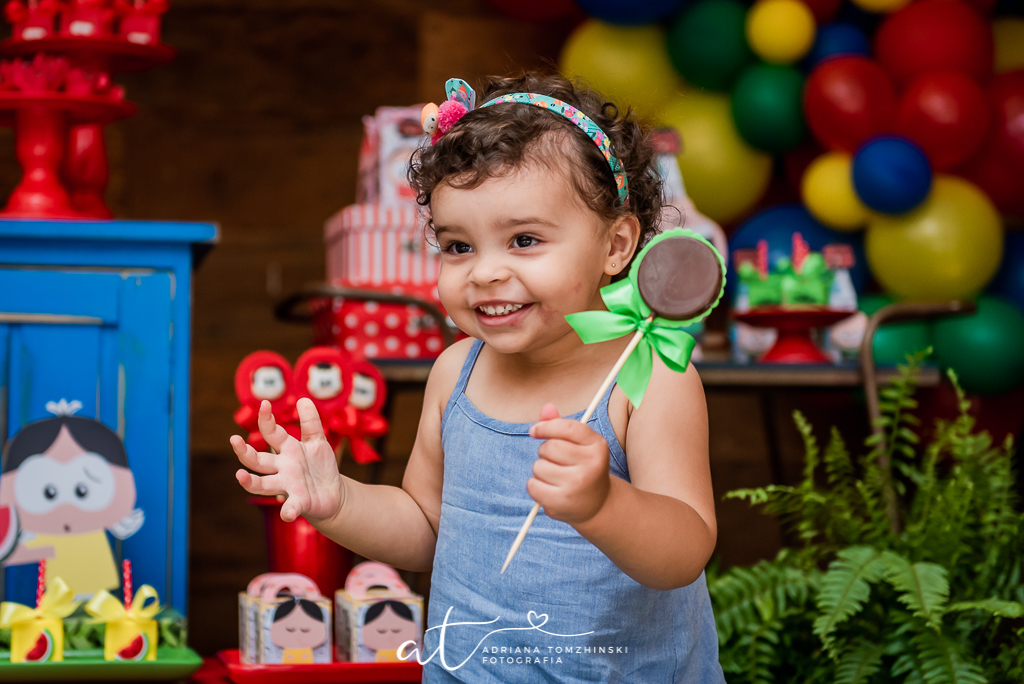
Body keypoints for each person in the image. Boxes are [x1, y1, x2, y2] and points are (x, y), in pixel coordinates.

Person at [232, 72, 724, 683]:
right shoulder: (454, 374)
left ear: (616, 245)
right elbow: (427, 528)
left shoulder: (649, 380)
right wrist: (339, 502)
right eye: (459, 247)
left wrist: (604, 503)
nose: (485, 273)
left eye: (523, 240)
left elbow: (683, 552)